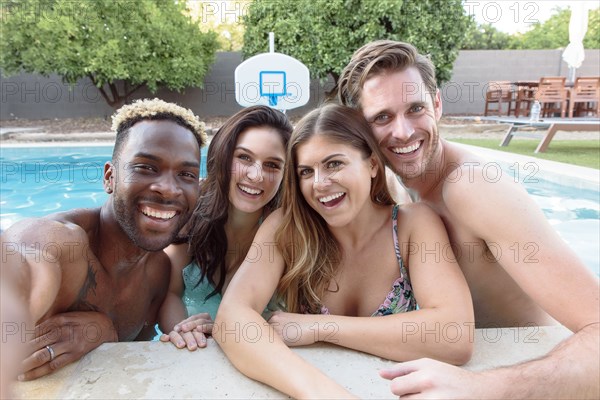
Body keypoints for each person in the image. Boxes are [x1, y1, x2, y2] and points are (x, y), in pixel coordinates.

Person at [336, 40, 600, 398]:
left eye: (416, 109)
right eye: (382, 117)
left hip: (542, 368)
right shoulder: (394, 188)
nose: (402, 132)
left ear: (438, 105)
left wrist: (480, 387)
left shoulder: (471, 187)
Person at [214, 103, 474, 398]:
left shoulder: (412, 225)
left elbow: (455, 334)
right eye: (306, 172)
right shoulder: (287, 228)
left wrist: (320, 327)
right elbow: (232, 319)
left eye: (334, 164)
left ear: (373, 165)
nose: (320, 184)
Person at [1, 98, 207, 381]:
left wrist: (104, 330)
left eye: (186, 174)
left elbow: (133, 367)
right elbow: (25, 257)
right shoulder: (64, 242)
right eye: (146, 167)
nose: (169, 190)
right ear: (110, 177)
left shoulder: (158, 272)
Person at [157, 105, 292, 351]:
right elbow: (169, 293)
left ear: (286, 173)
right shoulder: (192, 211)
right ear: (222, 156)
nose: (256, 175)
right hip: (195, 355)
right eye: (244, 157)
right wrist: (185, 332)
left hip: (260, 353)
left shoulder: (286, 229)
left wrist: (227, 332)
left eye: (272, 165)